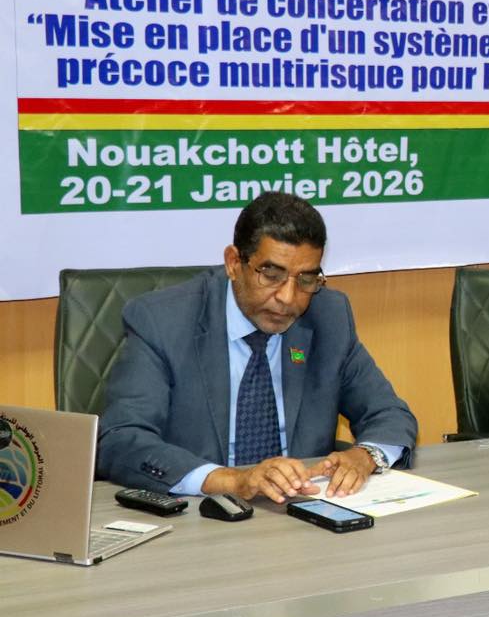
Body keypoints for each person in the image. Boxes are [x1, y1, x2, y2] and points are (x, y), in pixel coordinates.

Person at [97, 192, 417, 503]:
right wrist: (233, 480)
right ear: (233, 263)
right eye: (272, 275)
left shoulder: (328, 318)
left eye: (306, 280)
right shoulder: (162, 321)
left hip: (301, 512)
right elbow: (121, 438)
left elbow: (389, 413)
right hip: (200, 514)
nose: (288, 298)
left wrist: (364, 456)